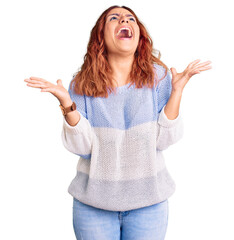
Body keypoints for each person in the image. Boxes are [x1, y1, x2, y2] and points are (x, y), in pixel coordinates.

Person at [24, 5, 212, 240]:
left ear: (139, 35)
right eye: (114, 17)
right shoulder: (81, 85)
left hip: (149, 205)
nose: (124, 19)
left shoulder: (160, 78)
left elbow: (164, 141)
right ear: (101, 35)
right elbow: (82, 149)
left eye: (130, 18)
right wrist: (67, 103)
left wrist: (176, 92)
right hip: (93, 207)